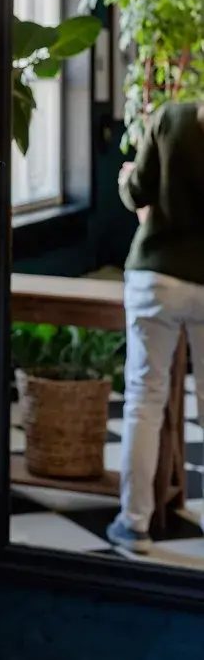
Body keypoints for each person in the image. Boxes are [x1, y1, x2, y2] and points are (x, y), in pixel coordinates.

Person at [107, 101, 204, 555]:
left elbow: (137, 192)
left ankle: (134, 525)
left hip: (156, 274)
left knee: (143, 400)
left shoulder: (172, 118)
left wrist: (127, 178)